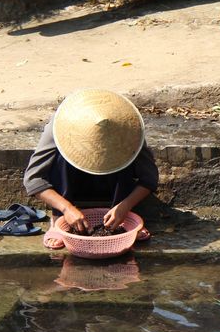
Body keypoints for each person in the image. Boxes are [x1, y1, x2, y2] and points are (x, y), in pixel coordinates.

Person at [24, 88, 158, 235]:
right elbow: (33, 180)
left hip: (113, 187)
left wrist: (125, 206)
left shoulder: (129, 130)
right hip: (73, 185)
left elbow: (149, 178)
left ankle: (124, 219)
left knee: (127, 159)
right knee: (61, 157)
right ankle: (58, 221)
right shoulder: (60, 127)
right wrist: (66, 208)